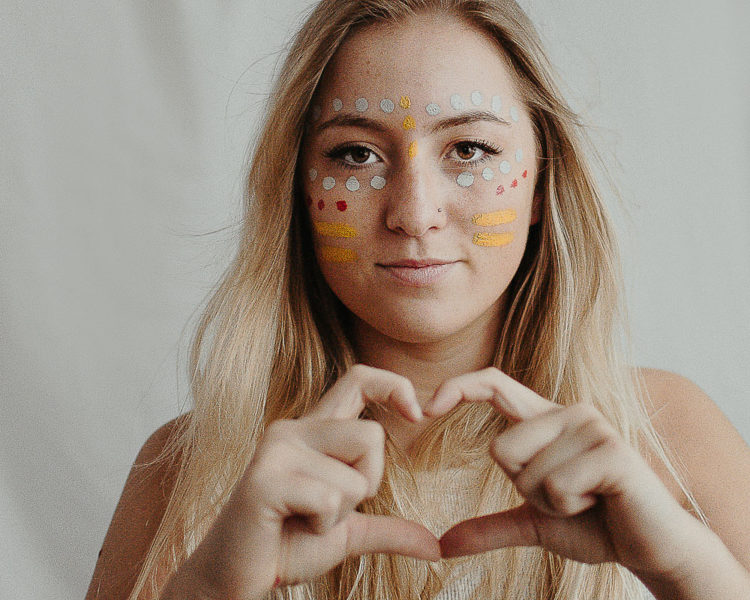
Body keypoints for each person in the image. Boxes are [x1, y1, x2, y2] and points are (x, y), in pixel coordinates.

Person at [85, 1, 750, 598]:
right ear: (296, 194)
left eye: (468, 147)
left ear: (542, 187)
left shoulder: (668, 434)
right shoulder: (189, 470)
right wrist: (206, 590)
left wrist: (686, 572)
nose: (414, 212)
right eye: (355, 154)